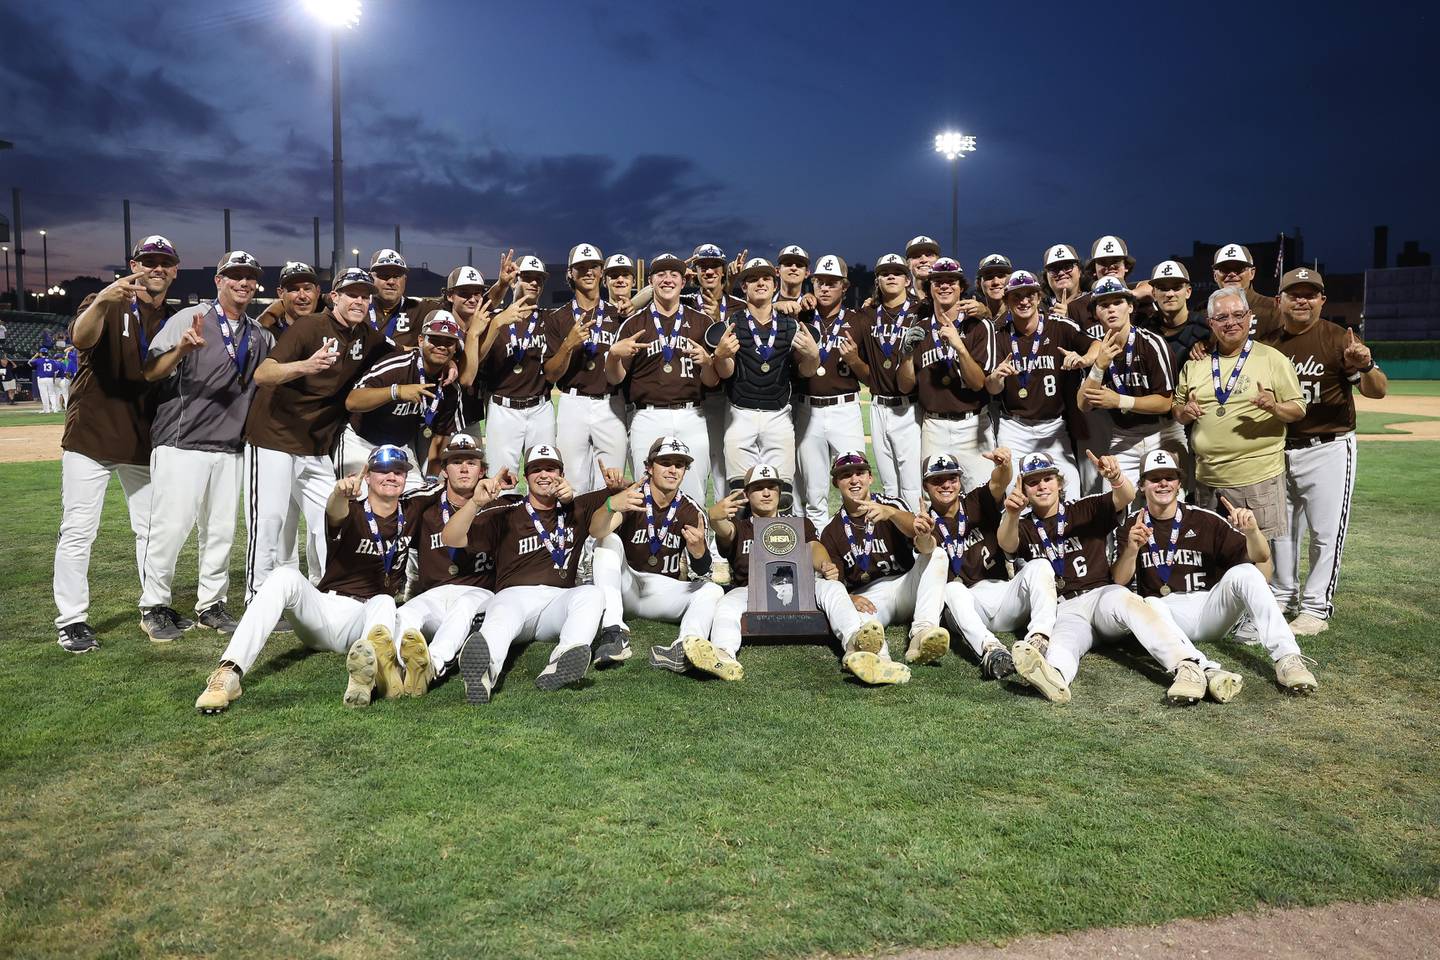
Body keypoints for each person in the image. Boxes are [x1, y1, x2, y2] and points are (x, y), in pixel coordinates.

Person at [194, 445, 415, 714]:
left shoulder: (412, 510)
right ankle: (228, 672)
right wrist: (338, 492)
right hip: (325, 610)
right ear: (367, 476)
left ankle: (366, 680)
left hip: (365, 620)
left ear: (406, 478)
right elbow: (335, 511)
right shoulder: (351, 509)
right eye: (382, 470)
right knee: (284, 576)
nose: (391, 476)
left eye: (398, 472)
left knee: (384, 600)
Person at [1001, 451, 1219, 705]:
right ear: (1023, 489)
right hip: (1065, 608)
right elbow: (1007, 543)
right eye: (1033, 482)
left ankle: (1187, 666)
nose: (1041, 486)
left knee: (1127, 601)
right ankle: (1055, 677)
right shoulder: (1024, 524)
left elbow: (1124, 496)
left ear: (1059, 482)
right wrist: (1012, 513)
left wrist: (1115, 478)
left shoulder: (1083, 507)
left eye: (1047, 478)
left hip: (1101, 596)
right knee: (1062, 644)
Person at [54, 236, 180, 653]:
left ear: (175, 270)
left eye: (165, 262)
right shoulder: (106, 301)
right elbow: (81, 339)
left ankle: (154, 605)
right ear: (134, 264)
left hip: (141, 437)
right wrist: (104, 299)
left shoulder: (171, 316)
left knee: (151, 530)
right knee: (78, 531)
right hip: (91, 434)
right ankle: (71, 619)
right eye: (149, 261)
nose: (157, 268)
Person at [139, 250, 274, 640]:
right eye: (235, 276)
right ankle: (154, 605)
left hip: (230, 447)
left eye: (250, 277)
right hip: (182, 441)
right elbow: (150, 372)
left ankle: (210, 605)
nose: (243, 283)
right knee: (170, 527)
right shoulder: (189, 318)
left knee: (220, 532)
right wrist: (181, 349)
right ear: (219, 280)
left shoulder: (258, 334)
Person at [1112, 450, 1316, 696]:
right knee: (1150, 603)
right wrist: (1132, 549)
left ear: (1179, 484)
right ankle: (1199, 669)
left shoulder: (1205, 520)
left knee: (1246, 572)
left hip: (1211, 607)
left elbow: (1264, 569)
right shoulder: (1131, 525)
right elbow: (1119, 581)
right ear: (1142, 485)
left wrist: (1252, 532)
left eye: (1170, 477)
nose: (1163, 483)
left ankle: (1287, 658)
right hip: (1166, 615)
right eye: (1155, 478)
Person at [243, 266, 392, 601]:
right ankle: (258, 597)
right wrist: (304, 366)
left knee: (330, 520)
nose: (359, 300)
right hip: (273, 437)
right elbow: (263, 375)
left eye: (365, 295)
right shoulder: (309, 326)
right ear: (334, 296)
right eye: (351, 293)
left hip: (314, 446)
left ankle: (330, 593)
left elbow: (402, 356)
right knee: (270, 519)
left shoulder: (366, 335)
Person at [1264, 267, 1388, 636]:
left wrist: (1365, 364)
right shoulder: (1267, 344)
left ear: (1322, 300)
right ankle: (1282, 595)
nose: (1302, 299)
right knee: (1280, 530)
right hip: (1279, 448)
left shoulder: (1339, 340)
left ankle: (1316, 607)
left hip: (1328, 447)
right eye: (1293, 293)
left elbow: (1377, 390)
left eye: (1310, 293)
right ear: (1279, 301)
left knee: (1324, 533)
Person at [442, 444, 618, 704]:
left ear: (562, 474)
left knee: (592, 593)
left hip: (558, 602)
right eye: (536, 469)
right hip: (514, 596)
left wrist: (615, 486)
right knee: (500, 619)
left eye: (550, 468)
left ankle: (562, 661)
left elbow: (630, 493)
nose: (544, 475)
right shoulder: (506, 509)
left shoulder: (577, 507)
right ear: (526, 477)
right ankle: (482, 670)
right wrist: (475, 504)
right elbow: (451, 538)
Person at [701, 463, 899, 685]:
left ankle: (855, 644)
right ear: (747, 494)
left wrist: (824, 564)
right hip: (751, 591)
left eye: (772, 487)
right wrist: (715, 517)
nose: (766, 493)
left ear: (779, 491)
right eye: (758, 488)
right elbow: (724, 531)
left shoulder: (799, 523)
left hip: (800, 588)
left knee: (833, 587)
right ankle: (723, 655)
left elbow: (814, 547)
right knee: (727, 603)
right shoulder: (741, 526)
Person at [1173, 286, 1306, 539]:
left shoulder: (1273, 359)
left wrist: (1275, 407)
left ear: (1249, 317)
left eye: (1238, 314)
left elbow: (1298, 409)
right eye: (1222, 318)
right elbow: (1177, 410)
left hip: (1256, 479)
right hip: (1207, 481)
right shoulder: (1195, 364)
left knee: (1257, 556)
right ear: (1211, 323)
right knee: (1210, 554)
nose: (1231, 322)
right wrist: (1185, 412)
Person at [389, 434, 515, 699]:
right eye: (456, 462)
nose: (464, 468)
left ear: (482, 470)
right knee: (406, 614)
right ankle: (395, 669)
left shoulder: (501, 506)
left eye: (471, 462)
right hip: (434, 594)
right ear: (444, 471)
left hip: (478, 594)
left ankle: (431, 665)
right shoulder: (426, 507)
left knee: (463, 607)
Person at [588, 436, 723, 669]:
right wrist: (610, 505)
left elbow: (703, 573)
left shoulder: (691, 510)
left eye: (679, 465)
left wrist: (699, 551)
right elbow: (596, 530)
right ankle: (613, 632)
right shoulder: (632, 496)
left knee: (712, 590)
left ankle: (687, 645)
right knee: (607, 540)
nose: (673, 470)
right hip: (625, 586)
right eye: (665, 463)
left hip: (661, 591)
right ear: (649, 467)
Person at [923, 450, 1057, 679]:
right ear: (925, 486)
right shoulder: (924, 523)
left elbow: (999, 481)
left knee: (1041, 565)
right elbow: (923, 546)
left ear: (959, 481)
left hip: (1003, 592)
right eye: (937, 480)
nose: (946, 485)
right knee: (952, 589)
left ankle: (1038, 641)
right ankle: (991, 650)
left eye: (952, 478)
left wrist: (1004, 465)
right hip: (966, 604)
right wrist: (922, 536)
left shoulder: (976, 501)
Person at [818, 450, 950, 671]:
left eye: (860, 473)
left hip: (906, 585)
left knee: (936, 554)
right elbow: (834, 580)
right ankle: (881, 661)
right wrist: (849, 597)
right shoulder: (832, 530)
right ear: (835, 482)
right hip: (871, 597)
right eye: (845, 475)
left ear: (870, 477)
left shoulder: (891, 504)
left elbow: (915, 530)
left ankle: (922, 634)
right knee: (864, 627)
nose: (854, 480)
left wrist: (890, 513)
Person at [608, 252, 719, 508]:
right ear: (651, 282)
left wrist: (707, 362)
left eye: (674, 274)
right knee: (644, 493)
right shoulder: (634, 323)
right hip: (648, 416)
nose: (667, 279)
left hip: (692, 414)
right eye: (661, 274)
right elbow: (616, 378)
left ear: (683, 282)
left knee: (694, 492)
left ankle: (694, 548)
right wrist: (613, 356)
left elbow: (712, 381)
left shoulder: (702, 322)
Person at [709, 256, 818, 506]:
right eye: (753, 279)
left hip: (778, 414)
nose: (761, 283)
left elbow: (807, 371)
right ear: (743, 287)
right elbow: (726, 374)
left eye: (766, 278)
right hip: (740, 414)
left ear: (774, 282)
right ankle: (741, 546)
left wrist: (813, 356)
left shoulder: (792, 326)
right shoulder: (731, 324)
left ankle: (779, 546)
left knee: (782, 498)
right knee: (740, 498)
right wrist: (721, 356)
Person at [986, 270, 1096, 493]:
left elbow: (1098, 345)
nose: (1024, 301)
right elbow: (991, 386)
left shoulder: (1059, 326)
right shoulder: (999, 335)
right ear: (1006, 300)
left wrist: (1084, 360)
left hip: (1053, 427)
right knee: (1014, 491)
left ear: (1038, 297)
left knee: (1071, 486)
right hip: (1014, 426)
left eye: (1030, 295)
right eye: (1016, 296)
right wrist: (996, 377)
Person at [1075, 275, 1180, 487]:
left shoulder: (1152, 343)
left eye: (1118, 302)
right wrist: (1098, 367)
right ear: (1096, 313)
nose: (1111, 309)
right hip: (1124, 435)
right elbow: (1083, 405)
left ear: (1130, 307)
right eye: (1104, 305)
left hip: (1162, 432)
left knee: (1168, 503)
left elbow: (1165, 402)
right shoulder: (1099, 351)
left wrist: (1119, 401)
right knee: (1116, 502)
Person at [899, 257, 994, 491]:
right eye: (937, 281)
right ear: (929, 288)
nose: (944, 286)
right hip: (934, 425)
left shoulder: (978, 325)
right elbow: (904, 386)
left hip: (972, 424)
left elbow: (978, 383)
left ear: (962, 287)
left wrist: (960, 347)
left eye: (951, 281)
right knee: (936, 498)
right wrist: (907, 356)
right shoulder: (918, 328)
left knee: (982, 495)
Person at [342, 312, 466, 481]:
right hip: (361, 441)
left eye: (449, 342)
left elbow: (440, 438)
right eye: (435, 340)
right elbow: (352, 401)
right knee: (359, 495)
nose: (442, 346)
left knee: (415, 498)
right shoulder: (397, 365)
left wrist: (431, 477)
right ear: (421, 341)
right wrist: (396, 391)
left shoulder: (450, 388)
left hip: (401, 446)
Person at [545, 243, 628, 494]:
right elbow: (551, 374)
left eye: (593, 266)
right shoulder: (557, 317)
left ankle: (606, 535)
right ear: (570, 273)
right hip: (573, 403)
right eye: (581, 268)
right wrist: (568, 344)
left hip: (612, 403)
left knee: (611, 485)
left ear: (602, 272)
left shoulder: (619, 315)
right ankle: (575, 533)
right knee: (572, 483)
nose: (588, 272)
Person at [793, 255, 869, 526]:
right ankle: (819, 558)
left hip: (845, 408)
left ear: (845, 287)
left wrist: (855, 361)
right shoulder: (800, 316)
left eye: (832, 283)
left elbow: (872, 378)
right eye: (819, 282)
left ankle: (859, 552)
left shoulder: (859, 320)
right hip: (807, 408)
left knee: (856, 483)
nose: (824, 288)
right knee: (814, 494)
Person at [465, 255, 553, 478]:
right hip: (502, 407)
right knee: (500, 479)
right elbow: (477, 357)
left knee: (545, 475)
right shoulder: (492, 317)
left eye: (539, 280)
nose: (534, 283)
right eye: (528, 278)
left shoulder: (550, 319)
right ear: (515, 281)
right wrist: (497, 322)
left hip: (540, 407)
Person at [856, 253, 923, 508]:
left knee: (912, 484)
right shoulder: (867, 314)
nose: (891, 276)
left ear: (908, 280)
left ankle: (918, 541)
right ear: (878, 280)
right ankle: (895, 542)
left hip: (910, 407)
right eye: (885, 273)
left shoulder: (921, 309)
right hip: (878, 405)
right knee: (888, 485)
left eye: (897, 272)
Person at [687, 243, 744, 506]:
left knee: (725, 468)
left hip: (732, 398)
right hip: (697, 398)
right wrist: (678, 271)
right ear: (695, 270)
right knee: (696, 468)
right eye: (702, 266)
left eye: (714, 266)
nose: (709, 271)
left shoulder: (739, 305)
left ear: (723, 271)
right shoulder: (684, 300)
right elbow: (637, 300)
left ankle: (726, 536)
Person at [1146, 260, 1210, 372]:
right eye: (1163, 288)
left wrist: (1209, 344)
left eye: (1176, 288)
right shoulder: (1144, 331)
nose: (1170, 294)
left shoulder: (1207, 327)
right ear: (1154, 294)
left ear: (1188, 292)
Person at [1212, 244, 1278, 336]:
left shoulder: (1273, 308)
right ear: (1215, 276)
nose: (1231, 274)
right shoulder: (1205, 312)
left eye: (1239, 269)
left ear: (1252, 273)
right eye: (1224, 269)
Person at [367, 248, 421, 347]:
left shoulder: (420, 308)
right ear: (370, 278)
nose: (391, 282)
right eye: (384, 275)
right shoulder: (357, 306)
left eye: (397, 276)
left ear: (405, 280)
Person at [258, 261, 320, 335]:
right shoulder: (267, 336)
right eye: (294, 289)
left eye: (307, 289)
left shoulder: (329, 330)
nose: (302, 296)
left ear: (318, 291)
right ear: (281, 293)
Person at [29, 348, 60, 412]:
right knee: (52, 394)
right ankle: (55, 409)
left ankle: (46, 409)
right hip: (50, 379)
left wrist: (35, 355)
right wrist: (53, 379)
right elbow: (56, 371)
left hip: (42, 379)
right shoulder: (52, 361)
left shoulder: (38, 360)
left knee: (44, 394)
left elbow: (29, 362)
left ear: (40, 353)